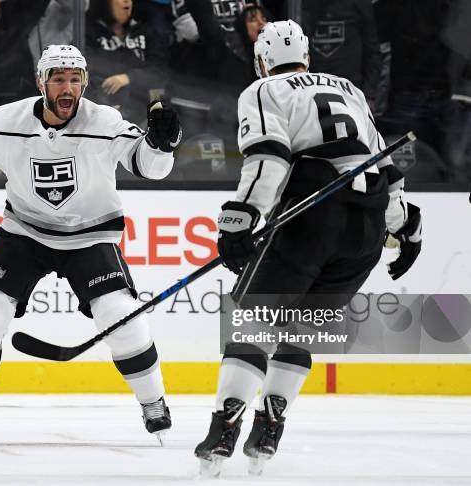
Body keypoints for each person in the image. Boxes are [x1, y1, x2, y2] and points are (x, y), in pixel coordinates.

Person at [0, 44, 182, 443]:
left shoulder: (105, 121)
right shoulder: (7, 120)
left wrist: (162, 144)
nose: (68, 87)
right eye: (58, 78)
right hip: (25, 232)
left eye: (75, 79)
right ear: (40, 82)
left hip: (91, 234)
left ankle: (154, 403)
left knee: (120, 313)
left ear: (85, 83)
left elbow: (150, 167)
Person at [194, 21, 422, 476]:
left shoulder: (264, 90)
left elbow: (269, 156)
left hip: (311, 219)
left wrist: (242, 218)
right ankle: (270, 428)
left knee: (254, 324)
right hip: (367, 229)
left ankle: (225, 429)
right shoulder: (351, 89)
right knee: (302, 332)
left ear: (262, 61)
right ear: (308, 56)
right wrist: (408, 227)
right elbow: (385, 168)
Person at [84, 0, 167, 122]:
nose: (127, 1)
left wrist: (128, 78)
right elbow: (83, 74)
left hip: (143, 114)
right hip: (102, 114)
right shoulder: (88, 32)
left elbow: (161, 71)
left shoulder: (145, 31)